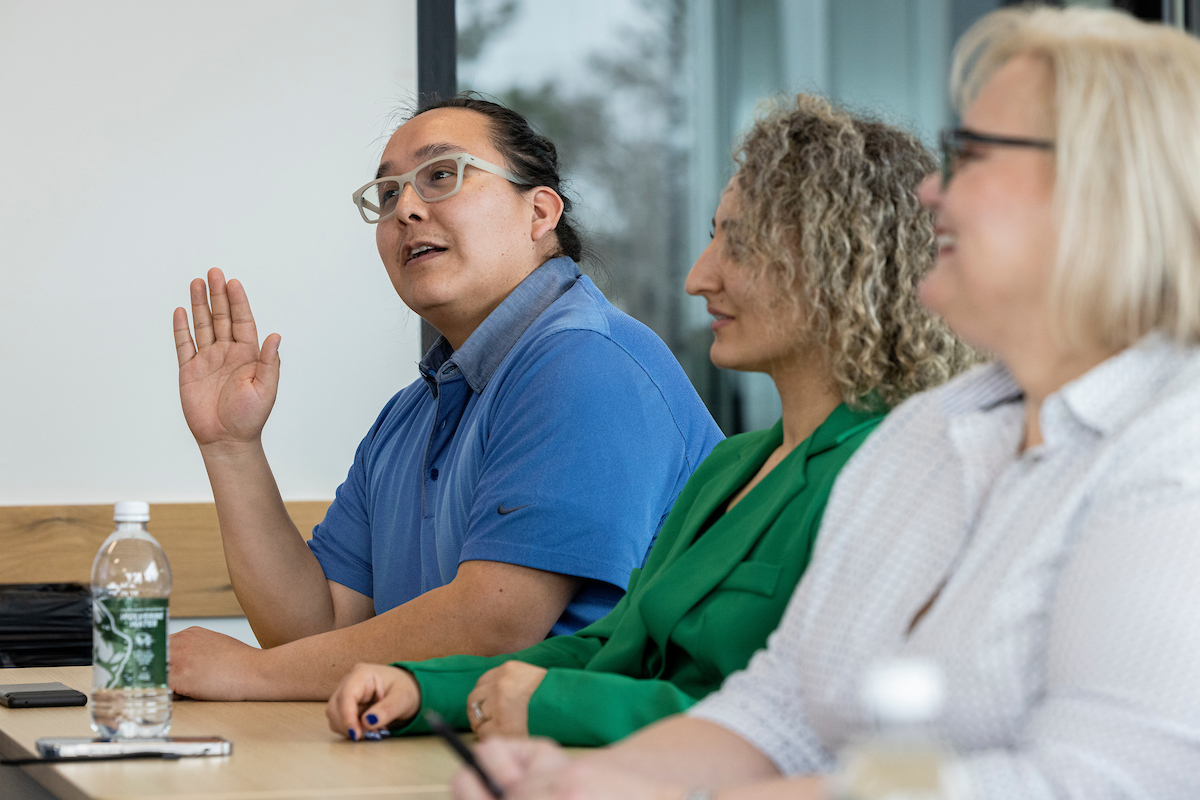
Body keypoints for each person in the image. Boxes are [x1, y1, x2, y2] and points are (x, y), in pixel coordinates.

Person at [446, 6, 1200, 799]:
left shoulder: (1174, 458)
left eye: (972, 156)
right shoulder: (926, 437)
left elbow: (1094, 784)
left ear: (1106, 190)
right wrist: (587, 781)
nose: (935, 192)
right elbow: (784, 713)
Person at [325, 95, 976, 746]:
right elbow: (614, 645)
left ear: (844, 263)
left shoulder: (894, 470)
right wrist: (422, 686)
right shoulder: (735, 466)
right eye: (712, 239)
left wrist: (552, 705)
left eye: (738, 246)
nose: (698, 278)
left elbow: (799, 717)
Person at [168, 96, 724, 701]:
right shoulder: (414, 410)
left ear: (538, 212)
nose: (406, 207)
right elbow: (315, 627)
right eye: (387, 195)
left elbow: (497, 624)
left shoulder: (585, 360)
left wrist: (249, 674)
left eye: (441, 176)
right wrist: (231, 448)